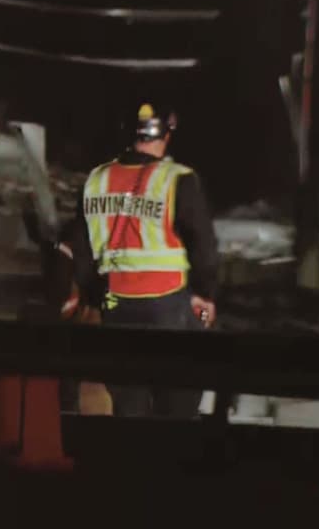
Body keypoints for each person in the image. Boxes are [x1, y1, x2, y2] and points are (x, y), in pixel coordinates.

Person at [61, 102, 219, 418]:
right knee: (179, 397)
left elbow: (82, 249)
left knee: (128, 401)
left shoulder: (97, 180)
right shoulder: (178, 179)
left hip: (116, 306)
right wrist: (206, 295)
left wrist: (94, 298)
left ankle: (133, 454)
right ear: (167, 134)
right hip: (169, 305)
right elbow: (204, 248)